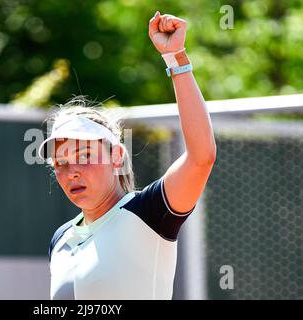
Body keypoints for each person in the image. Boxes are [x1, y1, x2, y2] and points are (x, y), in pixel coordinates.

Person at [38, 11, 217, 299]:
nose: (71, 171)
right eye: (60, 163)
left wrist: (176, 58)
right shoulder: (61, 239)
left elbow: (202, 156)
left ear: (117, 157)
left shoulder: (147, 213)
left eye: (84, 155)